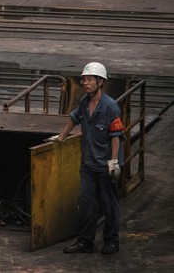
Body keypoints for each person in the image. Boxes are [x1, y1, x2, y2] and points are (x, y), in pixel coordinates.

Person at [50, 62, 124, 255]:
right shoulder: (84, 102)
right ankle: (86, 241)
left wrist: (113, 162)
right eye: (84, 79)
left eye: (89, 79)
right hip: (88, 164)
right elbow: (74, 118)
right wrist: (61, 137)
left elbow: (115, 137)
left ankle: (112, 241)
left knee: (109, 205)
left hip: (105, 165)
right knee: (86, 203)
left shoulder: (110, 107)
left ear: (100, 82)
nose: (85, 82)